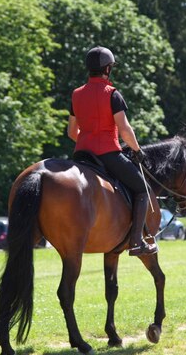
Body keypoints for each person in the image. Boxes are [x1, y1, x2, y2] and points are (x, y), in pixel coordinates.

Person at [67, 46, 157, 256]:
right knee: (143, 189)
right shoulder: (112, 94)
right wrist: (137, 150)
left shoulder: (76, 94)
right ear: (108, 69)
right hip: (108, 154)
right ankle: (136, 242)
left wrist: (87, 140)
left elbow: (72, 131)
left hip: (81, 155)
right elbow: (125, 129)